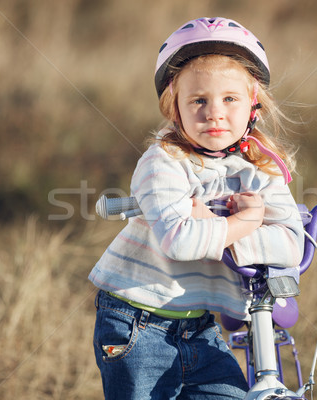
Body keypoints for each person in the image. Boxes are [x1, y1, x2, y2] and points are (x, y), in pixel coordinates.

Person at [89, 17, 305, 399]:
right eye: (199, 100)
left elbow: (290, 245)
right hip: (137, 320)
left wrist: (226, 229)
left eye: (230, 99)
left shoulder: (260, 166)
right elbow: (179, 242)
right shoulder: (163, 162)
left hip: (199, 324)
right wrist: (248, 219)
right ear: (176, 108)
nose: (214, 112)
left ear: (253, 104)